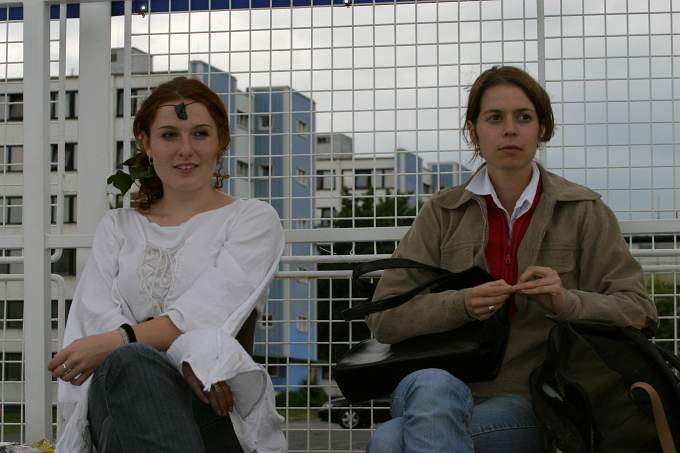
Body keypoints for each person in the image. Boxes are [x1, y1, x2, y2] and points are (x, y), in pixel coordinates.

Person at [364, 66, 658, 453]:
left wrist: (566, 302)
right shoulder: (442, 212)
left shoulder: (583, 210)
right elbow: (384, 318)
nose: (509, 130)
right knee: (433, 385)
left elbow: (639, 310)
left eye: (523, 117)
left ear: (542, 128)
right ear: (474, 131)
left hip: (532, 395)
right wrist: (461, 304)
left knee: (389, 441)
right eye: (494, 118)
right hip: (434, 384)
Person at [48, 77, 286, 453]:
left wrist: (125, 341)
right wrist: (177, 355)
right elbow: (95, 317)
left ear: (221, 141)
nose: (185, 150)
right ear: (146, 143)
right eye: (170, 135)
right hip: (119, 392)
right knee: (130, 366)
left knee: (128, 369)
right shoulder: (118, 226)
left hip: (209, 402)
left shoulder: (252, 221)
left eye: (200, 134)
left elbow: (210, 310)